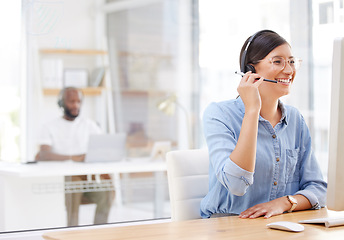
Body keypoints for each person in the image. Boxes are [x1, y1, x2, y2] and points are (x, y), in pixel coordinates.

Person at [200, 30, 327, 219]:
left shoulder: (295, 119)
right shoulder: (219, 114)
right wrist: (252, 111)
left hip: (278, 223)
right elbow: (236, 185)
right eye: (278, 61)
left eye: (291, 61)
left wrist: (284, 203)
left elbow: (318, 189)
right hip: (229, 224)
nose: (289, 70)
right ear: (251, 71)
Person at [36, 87, 113, 226]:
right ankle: (72, 233)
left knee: (107, 190)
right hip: (64, 180)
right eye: (71, 101)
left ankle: (100, 232)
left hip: (88, 177)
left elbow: (103, 147)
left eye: (78, 101)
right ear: (61, 103)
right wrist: (73, 157)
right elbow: (43, 154)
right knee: (74, 183)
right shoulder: (49, 126)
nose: (75, 105)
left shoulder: (89, 125)